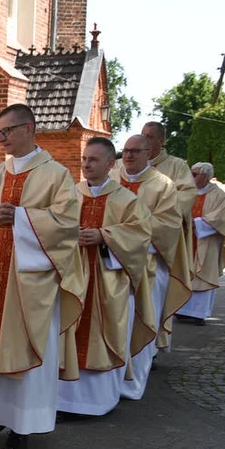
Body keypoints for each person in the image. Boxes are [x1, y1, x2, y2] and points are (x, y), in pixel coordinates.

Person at [0, 103, 83, 449]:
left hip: (33, 281)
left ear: (30, 129)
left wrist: (20, 218)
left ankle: (24, 426)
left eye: (8, 131)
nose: (1, 138)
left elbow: (66, 224)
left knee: (30, 346)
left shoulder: (56, 175)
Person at [57, 138, 153, 416]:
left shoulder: (127, 200)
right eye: (85, 159)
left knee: (101, 335)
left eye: (94, 159)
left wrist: (103, 236)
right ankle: (64, 401)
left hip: (107, 281)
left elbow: (140, 237)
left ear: (111, 164)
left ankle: (98, 402)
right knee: (68, 332)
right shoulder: (70, 194)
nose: (86, 164)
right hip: (72, 277)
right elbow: (53, 227)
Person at [116, 134, 191, 401]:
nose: (129, 156)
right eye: (125, 151)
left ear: (149, 154)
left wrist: (123, 236)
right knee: (113, 324)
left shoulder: (163, 186)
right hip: (109, 265)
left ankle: (132, 384)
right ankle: (107, 380)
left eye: (135, 151)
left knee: (142, 320)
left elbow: (169, 226)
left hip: (147, 266)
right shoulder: (112, 177)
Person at [140, 121, 196, 349]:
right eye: (143, 135)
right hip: (122, 247)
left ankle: (151, 349)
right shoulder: (124, 167)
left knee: (154, 299)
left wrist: (153, 215)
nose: (146, 139)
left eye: (151, 136)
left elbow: (186, 196)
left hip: (158, 245)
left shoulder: (176, 166)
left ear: (161, 140)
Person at [176, 162, 225, 325]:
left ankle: (198, 313)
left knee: (202, 274)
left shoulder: (218, 195)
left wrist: (197, 223)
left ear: (206, 176)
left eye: (194, 174)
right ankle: (180, 310)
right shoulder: (185, 192)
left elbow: (222, 219)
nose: (190, 177)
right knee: (183, 273)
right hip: (185, 240)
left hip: (205, 242)